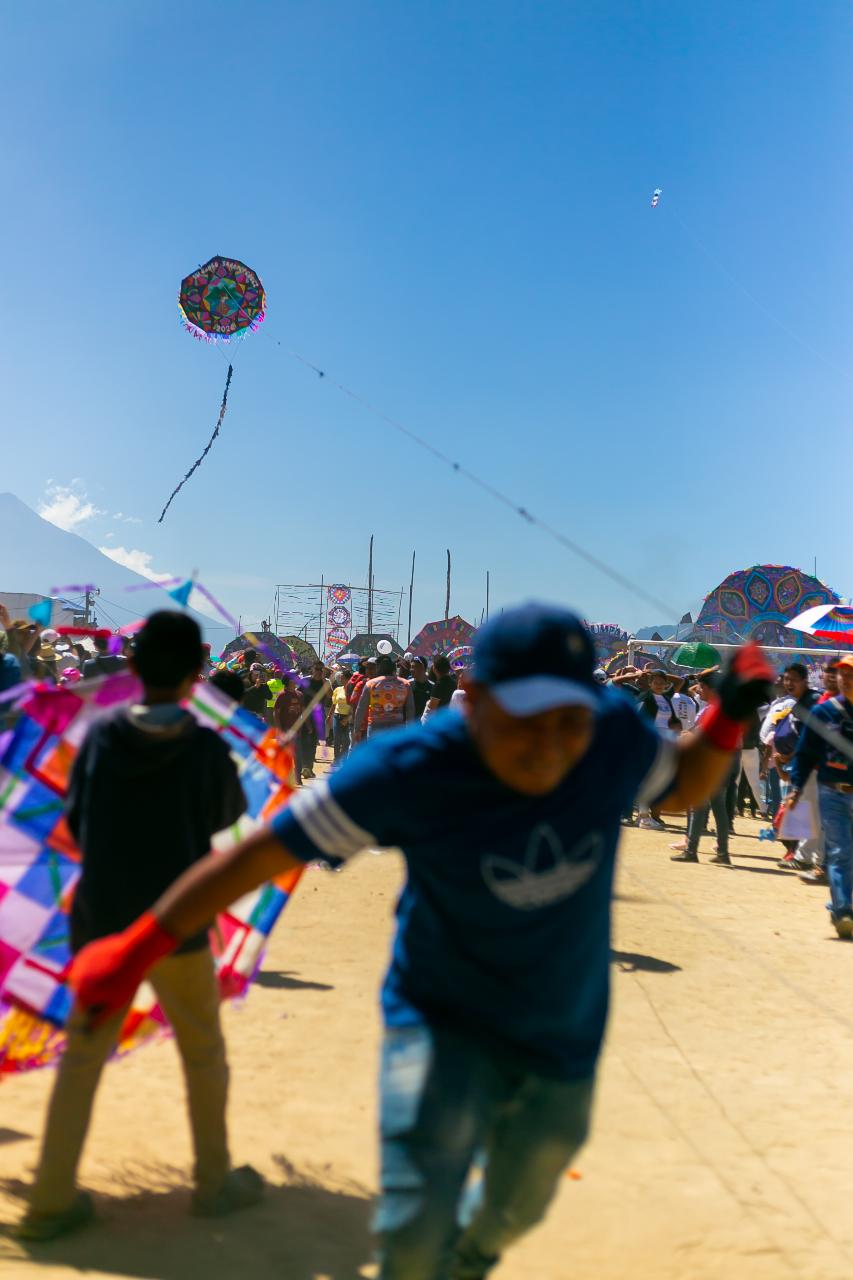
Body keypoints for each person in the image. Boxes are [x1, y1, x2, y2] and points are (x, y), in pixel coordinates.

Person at [64, 604, 772, 1278]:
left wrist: (725, 720)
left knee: (525, 1189)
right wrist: (138, 947)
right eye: (526, 719)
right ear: (473, 697)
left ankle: (475, 1252)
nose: (551, 743)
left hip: (563, 1027)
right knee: (410, 1226)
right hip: (438, 1018)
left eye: (569, 719)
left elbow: (676, 789)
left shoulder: (610, 733)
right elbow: (259, 854)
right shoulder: (407, 768)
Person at [17, 611, 262, 1242]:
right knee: (203, 1052)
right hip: (175, 925)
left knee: (84, 1058)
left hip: (101, 926)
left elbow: (76, 815)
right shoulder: (205, 749)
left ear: (132, 668)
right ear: (194, 677)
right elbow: (226, 816)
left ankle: (50, 1198)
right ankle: (214, 1183)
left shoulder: (98, 739)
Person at [785, 654, 853, 936]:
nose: (846, 680)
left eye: (852, 675)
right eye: (843, 675)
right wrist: (796, 787)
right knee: (839, 852)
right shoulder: (825, 713)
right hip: (832, 793)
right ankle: (843, 912)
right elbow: (805, 752)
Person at [670, 673, 739, 867]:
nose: (698, 690)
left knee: (700, 806)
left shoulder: (715, 711)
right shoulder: (720, 709)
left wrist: (686, 737)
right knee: (718, 810)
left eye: (701, 687)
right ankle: (722, 852)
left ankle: (692, 851)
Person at [353, 656, 415, 741]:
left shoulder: (371, 684)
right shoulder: (405, 684)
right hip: (397, 729)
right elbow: (410, 709)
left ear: (378, 667)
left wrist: (357, 729)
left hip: (375, 728)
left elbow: (361, 708)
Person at [273, 673, 307, 784]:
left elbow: (302, 712)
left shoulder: (300, 695)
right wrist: (279, 729)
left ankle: (298, 778)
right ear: (288, 682)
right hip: (284, 730)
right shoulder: (282, 695)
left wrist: (307, 725)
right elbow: (276, 713)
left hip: (296, 730)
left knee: (298, 755)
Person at [300, 662, 332, 778]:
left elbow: (330, 696)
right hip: (305, 714)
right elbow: (298, 694)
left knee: (313, 742)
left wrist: (324, 680)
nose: (319, 671)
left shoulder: (325, 682)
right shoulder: (305, 681)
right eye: (317, 669)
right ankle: (304, 767)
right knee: (304, 742)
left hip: (318, 715)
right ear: (312, 670)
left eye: (321, 669)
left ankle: (309, 768)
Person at [330, 676, 353, 761]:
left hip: (348, 716)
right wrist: (329, 716)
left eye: (343, 678)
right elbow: (334, 704)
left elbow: (353, 705)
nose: (341, 680)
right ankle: (336, 758)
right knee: (337, 739)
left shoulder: (352, 690)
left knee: (346, 740)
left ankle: (343, 759)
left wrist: (347, 718)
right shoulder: (338, 689)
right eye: (341, 678)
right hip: (337, 715)